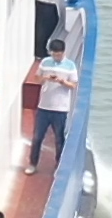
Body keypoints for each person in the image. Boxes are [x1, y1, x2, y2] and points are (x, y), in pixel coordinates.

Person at [25, 39, 77, 173]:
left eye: (58, 55)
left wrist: (62, 82)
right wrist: (46, 78)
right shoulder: (45, 62)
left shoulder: (70, 66)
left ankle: (58, 166)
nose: (56, 57)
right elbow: (37, 78)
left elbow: (73, 85)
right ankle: (32, 164)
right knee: (37, 137)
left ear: (63, 52)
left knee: (59, 139)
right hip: (43, 107)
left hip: (60, 109)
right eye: (54, 54)